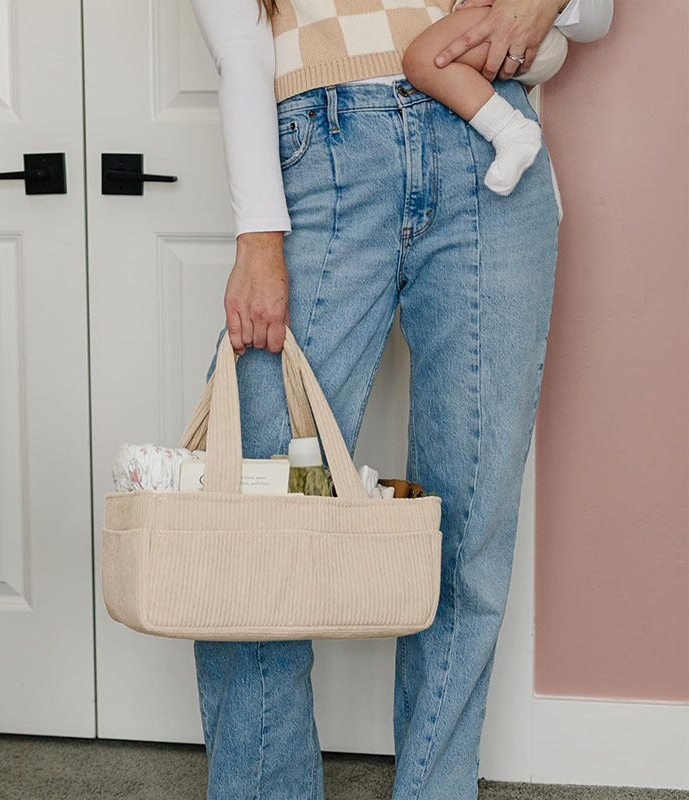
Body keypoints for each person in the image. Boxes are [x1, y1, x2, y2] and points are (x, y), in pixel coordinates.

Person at [188, 1, 612, 798]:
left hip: (491, 155)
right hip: (327, 150)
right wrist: (258, 237)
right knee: (257, 516)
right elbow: (240, 55)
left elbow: (596, 18)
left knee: (471, 521)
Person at [402, 1, 570, 195]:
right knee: (487, 90)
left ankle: (512, 131)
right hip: (530, 30)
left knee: (423, 59)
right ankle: (540, 179)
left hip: (522, 23)